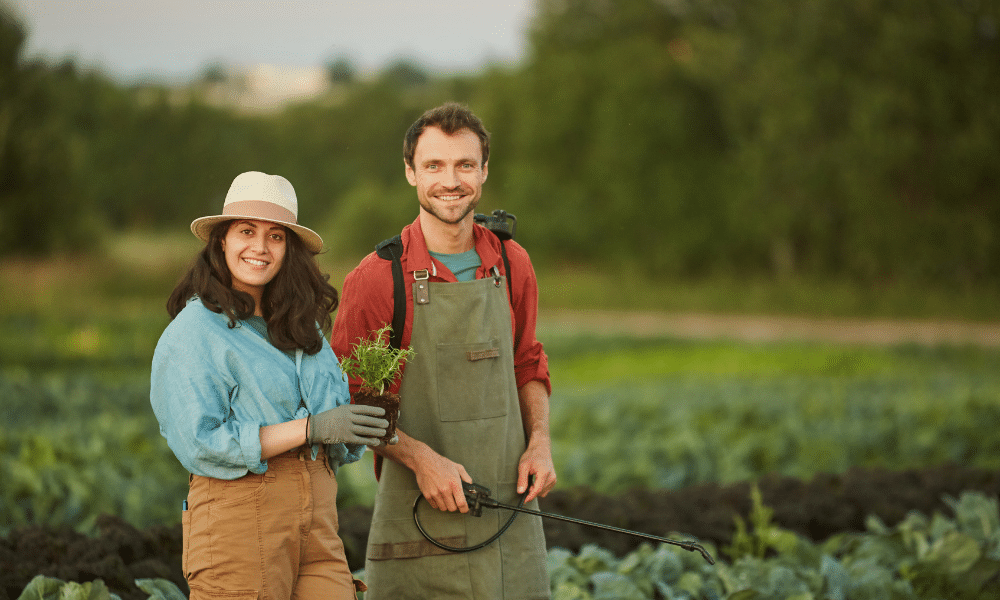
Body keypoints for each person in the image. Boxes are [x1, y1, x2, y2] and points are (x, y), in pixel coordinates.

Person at [332, 103, 556, 598]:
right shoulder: (377, 278)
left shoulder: (512, 263)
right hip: (418, 518)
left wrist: (540, 441)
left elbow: (527, 364)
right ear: (410, 172)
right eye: (434, 165)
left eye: (464, 165)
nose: (450, 181)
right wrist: (419, 458)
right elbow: (348, 400)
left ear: (484, 171)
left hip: (509, 513)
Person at [151, 171, 390, 600]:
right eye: (247, 231)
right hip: (240, 523)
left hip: (318, 524)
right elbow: (200, 442)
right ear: (222, 241)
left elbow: (335, 429)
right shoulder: (194, 333)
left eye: (275, 236)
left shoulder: (303, 329)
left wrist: (359, 424)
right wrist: (310, 428)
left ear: (288, 249)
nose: (260, 247)